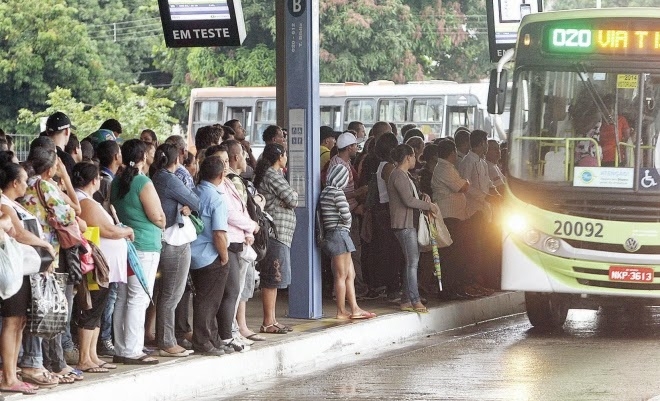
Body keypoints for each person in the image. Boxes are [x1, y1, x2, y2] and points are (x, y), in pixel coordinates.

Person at [20, 145, 81, 384]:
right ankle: (40, 362)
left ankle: (37, 361)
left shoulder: (24, 185)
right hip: (46, 254)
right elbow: (68, 215)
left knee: (30, 310)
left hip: (27, 253)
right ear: (49, 169)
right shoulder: (45, 185)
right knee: (44, 309)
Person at [0, 158, 57, 393]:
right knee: (12, 322)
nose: (27, 185)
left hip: (22, 269)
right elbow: (20, 234)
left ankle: (11, 373)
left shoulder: (12, 204)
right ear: (15, 183)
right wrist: (46, 245)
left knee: (19, 322)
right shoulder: (4, 205)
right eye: (24, 181)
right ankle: (9, 377)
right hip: (13, 271)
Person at [110, 139, 165, 365]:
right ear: (143, 158)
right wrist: (163, 219)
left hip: (125, 245)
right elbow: (157, 217)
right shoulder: (143, 181)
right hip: (145, 246)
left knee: (123, 297)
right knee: (138, 297)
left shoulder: (116, 182)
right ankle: (132, 349)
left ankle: (122, 348)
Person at [73, 162, 131, 373]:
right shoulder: (86, 202)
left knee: (97, 309)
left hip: (102, 266)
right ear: (94, 180)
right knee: (91, 309)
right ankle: (84, 358)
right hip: (95, 266)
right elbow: (108, 230)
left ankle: (92, 356)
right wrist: (127, 231)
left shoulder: (87, 201)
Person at [150, 144, 200, 357]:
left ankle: (164, 338)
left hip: (162, 240)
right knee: (172, 294)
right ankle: (167, 341)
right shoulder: (169, 179)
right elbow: (195, 201)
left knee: (164, 293)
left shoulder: (154, 176)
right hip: (175, 241)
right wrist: (186, 206)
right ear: (177, 159)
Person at [189, 156, 233, 356]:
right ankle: (203, 341)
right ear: (221, 174)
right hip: (210, 255)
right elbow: (219, 233)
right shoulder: (216, 198)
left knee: (205, 299)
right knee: (208, 302)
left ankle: (213, 338)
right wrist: (224, 257)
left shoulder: (195, 191)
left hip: (194, 254)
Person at [387, 144, 439, 314]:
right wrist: (428, 206)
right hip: (404, 224)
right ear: (408, 157)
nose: (416, 160)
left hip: (408, 223)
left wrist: (423, 200)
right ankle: (415, 300)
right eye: (414, 156)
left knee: (410, 262)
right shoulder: (399, 175)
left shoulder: (403, 175)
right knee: (412, 263)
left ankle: (406, 300)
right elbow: (408, 201)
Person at [320, 164, 375, 320]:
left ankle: (355, 308)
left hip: (336, 235)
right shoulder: (337, 193)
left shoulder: (325, 192)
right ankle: (341, 310)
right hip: (340, 235)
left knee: (349, 274)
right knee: (342, 275)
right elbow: (346, 215)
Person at [254, 144, 298, 334]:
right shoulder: (272, 175)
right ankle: (267, 322)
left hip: (281, 234)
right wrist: (288, 199)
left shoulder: (275, 175)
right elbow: (293, 199)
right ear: (279, 156)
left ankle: (271, 320)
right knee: (272, 277)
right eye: (285, 154)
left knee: (276, 278)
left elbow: (288, 199)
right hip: (275, 233)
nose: (286, 157)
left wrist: (287, 199)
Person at [93, 139, 122, 358]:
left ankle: (103, 338)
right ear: (115, 157)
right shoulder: (106, 182)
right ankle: (104, 338)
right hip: (104, 250)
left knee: (108, 296)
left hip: (108, 250)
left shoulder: (108, 180)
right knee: (106, 296)